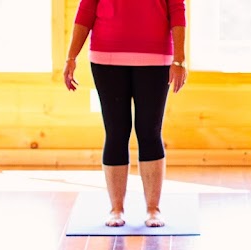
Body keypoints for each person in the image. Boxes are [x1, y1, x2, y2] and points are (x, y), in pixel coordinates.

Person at [65, 0, 187, 228]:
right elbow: (86, 10)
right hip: (105, 56)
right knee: (116, 132)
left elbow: (177, 10)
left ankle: (153, 209)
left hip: (156, 57)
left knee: (149, 132)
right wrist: (71, 57)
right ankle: (116, 208)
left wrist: (179, 59)